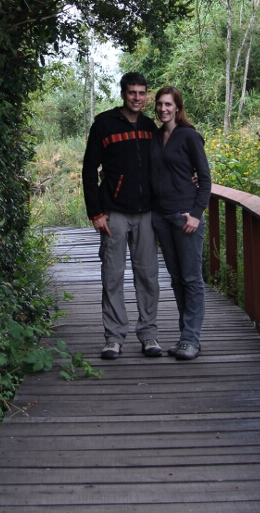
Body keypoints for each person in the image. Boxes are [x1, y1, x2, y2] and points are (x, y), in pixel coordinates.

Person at [81, 72, 162, 360]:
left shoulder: (150, 127)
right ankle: (114, 338)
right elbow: (89, 170)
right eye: (132, 92)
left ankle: (148, 335)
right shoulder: (104, 124)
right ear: (123, 93)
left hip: (146, 213)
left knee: (148, 276)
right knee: (112, 276)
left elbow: (164, 164)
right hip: (113, 212)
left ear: (146, 95)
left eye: (141, 93)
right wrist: (95, 213)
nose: (137, 98)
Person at [150, 86, 211, 361]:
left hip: (185, 217)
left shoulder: (189, 136)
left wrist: (197, 214)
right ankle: (185, 336)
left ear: (178, 107)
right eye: (160, 104)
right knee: (176, 279)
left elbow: (205, 178)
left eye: (168, 104)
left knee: (191, 279)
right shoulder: (155, 137)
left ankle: (191, 339)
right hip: (161, 217)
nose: (163, 109)